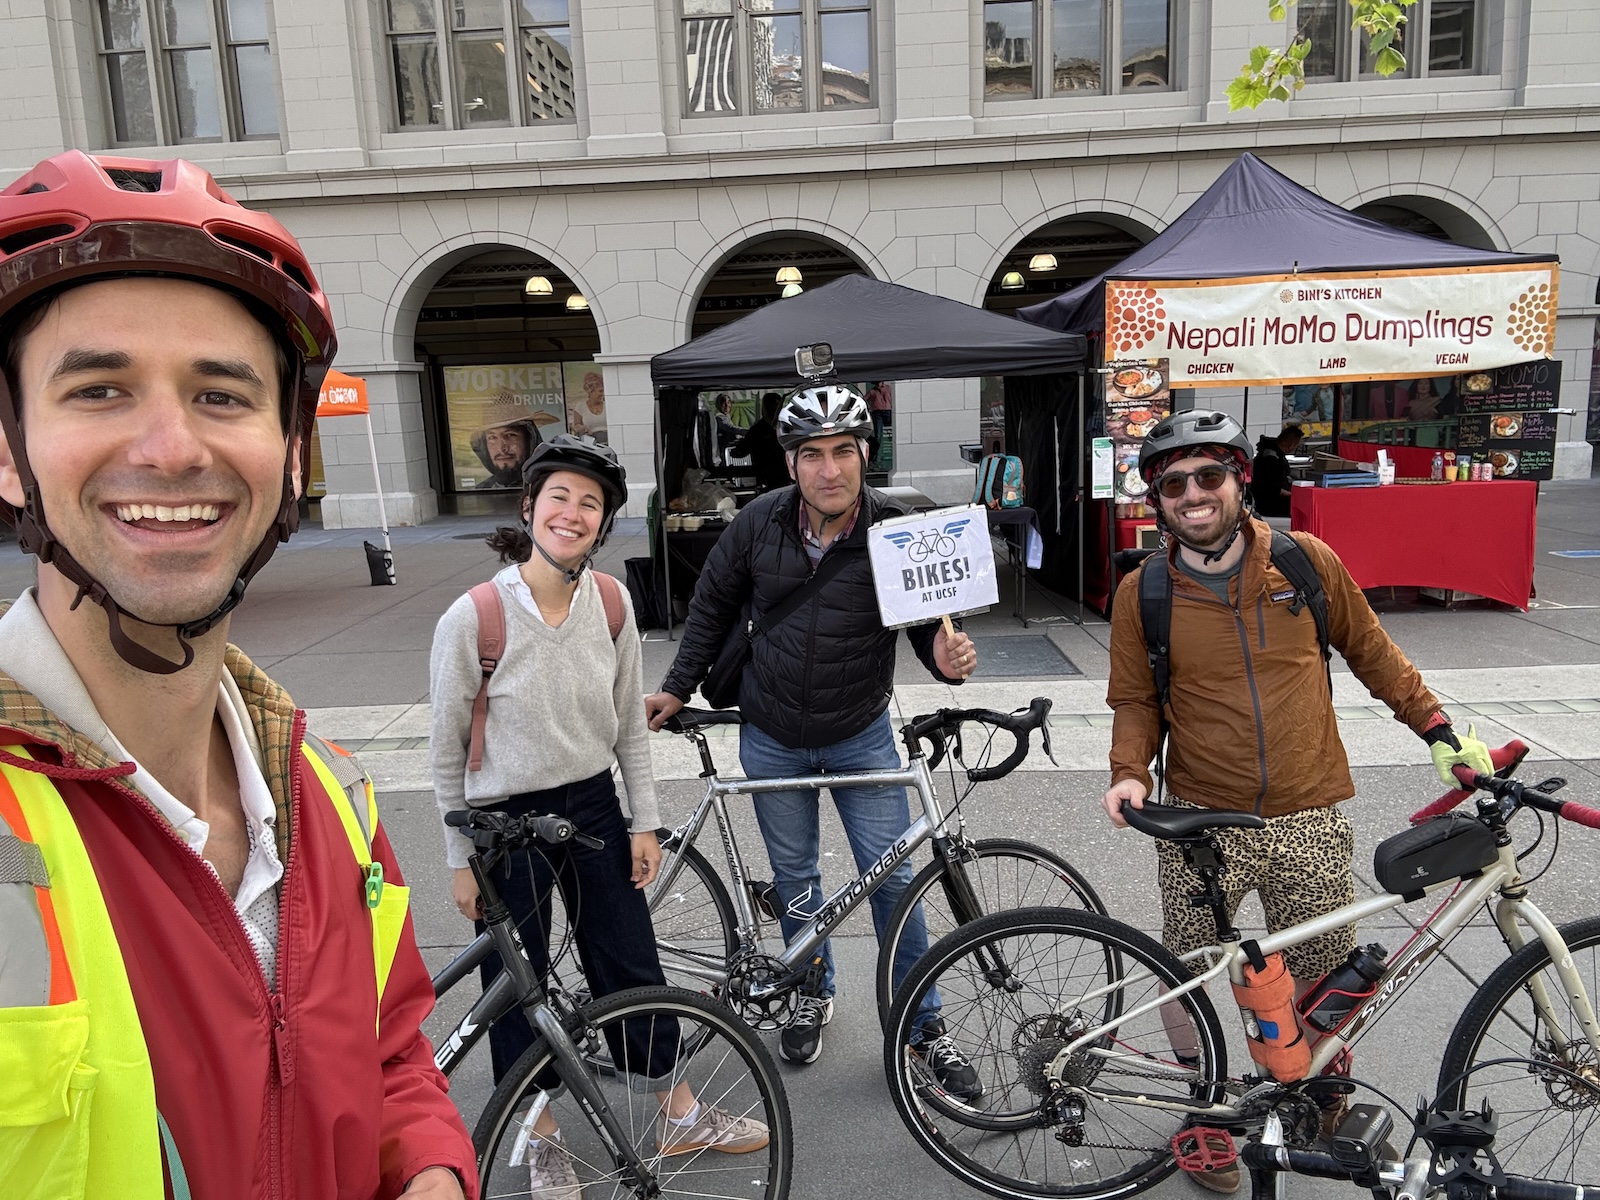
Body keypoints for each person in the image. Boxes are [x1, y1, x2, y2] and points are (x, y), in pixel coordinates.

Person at [0, 152, 475, 1197]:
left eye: (223, 394)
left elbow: (393, 1056)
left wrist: (433, 1166)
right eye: (99, 388)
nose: (171, 448)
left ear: (291, 451)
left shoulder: (334, 796)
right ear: (7, 446)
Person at [1101, 410, 1492, 1192]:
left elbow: (1374, 652)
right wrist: (1129, 770)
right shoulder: (1142, 592)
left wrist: (1438, 729)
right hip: (1202, 814)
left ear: (1239, 480)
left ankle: (1322, 1096)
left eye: (1208, 475)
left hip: (1308, 805)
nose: (1192, 494)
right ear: (1158, 500)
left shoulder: (1304, 564)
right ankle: (1204, 1110)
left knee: (1321, 972)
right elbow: (1136, 701)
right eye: (1173, 483)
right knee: (1186, 965)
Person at [430, 435, 767, 1199]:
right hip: (500, 820)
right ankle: (539, 1130)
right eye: (559, 497)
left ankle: (673, 1111)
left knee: (627, 957)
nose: (573, 513)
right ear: (529, 508)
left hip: (591, 805)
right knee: (519, 981)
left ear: (603, 521)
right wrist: (458, 857)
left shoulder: (611, 603)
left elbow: (626, 730)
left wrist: (642, 821)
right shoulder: (474, 616)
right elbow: (445, 750)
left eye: (590, 503)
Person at [643, 383, 983, 1094]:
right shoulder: (759, 523)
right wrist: (678, 683)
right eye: (811, 455)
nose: (829, 470)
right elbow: (710, 606)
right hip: (771, 733)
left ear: (864, 455)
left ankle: (924, 1031)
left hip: (861, 732)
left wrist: (944, 661)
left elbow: (925, 620)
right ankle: (810, 988)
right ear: (792, 464)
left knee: (893, 883)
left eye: (843, 452)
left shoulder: (894, 528)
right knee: (797, 885)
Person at [470, 405, 542, 488]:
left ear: (529, 440)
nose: (501, 449)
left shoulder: (548, 486)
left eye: (510, 435)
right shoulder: (481, 490)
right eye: (492, 437)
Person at [731, 392, 789, 492]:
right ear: (766, 408)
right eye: (772, 406)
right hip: (766, 480)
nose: (775, 410)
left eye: (778, 406)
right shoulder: (758, 430)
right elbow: (741, 451)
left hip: (787, 478)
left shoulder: (787, 427)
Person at [1248, 424, 1303, 517]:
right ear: (1292, 445)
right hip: (1270, 503)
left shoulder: (1270, 452)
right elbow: (1274, 489)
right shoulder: (1271, 459)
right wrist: (1295, 494)